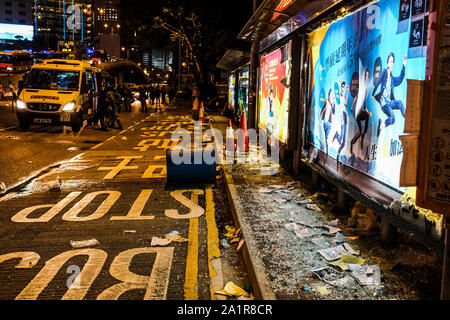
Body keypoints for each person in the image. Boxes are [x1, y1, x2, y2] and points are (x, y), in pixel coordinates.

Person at [372, 53, 406, 137]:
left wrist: (403, 66)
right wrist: (373, 94)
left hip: (389, 102)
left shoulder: (392, 79)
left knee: (400, 103)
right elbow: (377, 83)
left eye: (393, 62)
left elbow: (400, 79)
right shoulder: (384, 72)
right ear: (387, 63)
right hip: (384, 103)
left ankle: (407, 119)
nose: (391, 64)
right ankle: (382, 124)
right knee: (393, 118)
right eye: (390, 62)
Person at [350, 69, 372, 155]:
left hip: (360, 111)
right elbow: (357, 98)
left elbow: (363, 103)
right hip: (357, 113)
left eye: (368, 76)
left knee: (366, 117)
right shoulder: (362, 88)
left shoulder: (365, 88)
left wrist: (367, 111)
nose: (367, 78)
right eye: (365, 76)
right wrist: (352, 106)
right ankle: (352, 143)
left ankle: (363, 135)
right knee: (360, 130)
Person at [320, 88, 335, 158]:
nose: (331, 97)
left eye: (332, 96)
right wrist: (321, 117)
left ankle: (326, 152)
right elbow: (322, 110)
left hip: (329, 124)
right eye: (330, 95)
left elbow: (334, 113)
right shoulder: (326, 102)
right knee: (324, 138)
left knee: (326, 139)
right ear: (329, 95)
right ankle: (324, 152)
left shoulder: (332, 105)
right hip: (325, 123)